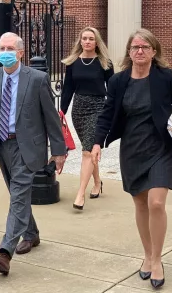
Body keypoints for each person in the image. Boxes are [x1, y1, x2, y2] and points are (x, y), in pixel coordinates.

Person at [91, 28, 172, 289]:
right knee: (141, 204)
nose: (139, 51)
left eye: (144, 47)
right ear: (129, 53)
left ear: (154, 51)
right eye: (134, 47)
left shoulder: (164, 77)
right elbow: (107, 114)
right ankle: (147, 254)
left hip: (161, 147)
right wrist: (97, 142)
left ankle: (157, 259)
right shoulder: (119, 81)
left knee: (156, 203)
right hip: (132, 148)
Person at [0, 32, 67, 276]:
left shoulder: (37, 79)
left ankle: (5, 253)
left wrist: (59, 151)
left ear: (21, 53)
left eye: (10, 48)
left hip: (27, 147)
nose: (5, 52)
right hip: (1, 145)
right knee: (16, 192)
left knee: (18, 196)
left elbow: (51, 118)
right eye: (1, 48)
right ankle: (31, 233)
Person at [60, 27, 113, 211]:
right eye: (85, 38)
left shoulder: (105, 62)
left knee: (87, 152)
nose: (88, 41)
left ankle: (80, 194)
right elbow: (68, 89)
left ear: (96, 42)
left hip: (98, 108)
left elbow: (112, 89)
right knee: (90, 151)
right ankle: (97, 182)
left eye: (91, 38)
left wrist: (114, 111)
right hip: (79, 109)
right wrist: (62, 112)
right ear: (80, 41)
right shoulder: (73, 62)